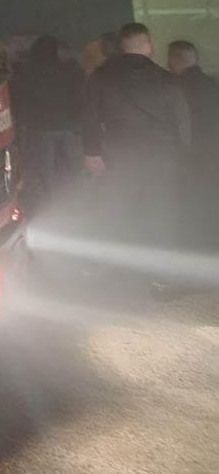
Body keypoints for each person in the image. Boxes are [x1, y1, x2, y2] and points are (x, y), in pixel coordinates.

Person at [81, 22, 191, 294]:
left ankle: (105, 271)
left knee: (113, 210)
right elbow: (183, 123)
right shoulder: (166, 78)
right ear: (148, 44)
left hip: (120, 157)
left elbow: (89, 118)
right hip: (162, 159)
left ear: (123, 46)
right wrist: (183, 157)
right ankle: (163, 279)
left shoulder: (101, 76)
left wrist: (92, 153)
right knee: (162, 215)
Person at [14, 36, 85, 205]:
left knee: (46, 171)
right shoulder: (70, 69)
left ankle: (51, 203)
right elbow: (79, 94)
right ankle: (82, 198)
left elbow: (21, 98)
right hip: (68, 124)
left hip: (41, 127)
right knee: (76, 165)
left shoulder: (27, 72)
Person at [168, 40, 219, 250]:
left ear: (174, 59)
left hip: (190, 158)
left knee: (193, 205)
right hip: (214, 155)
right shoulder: (213, 84)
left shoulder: (174, 89)